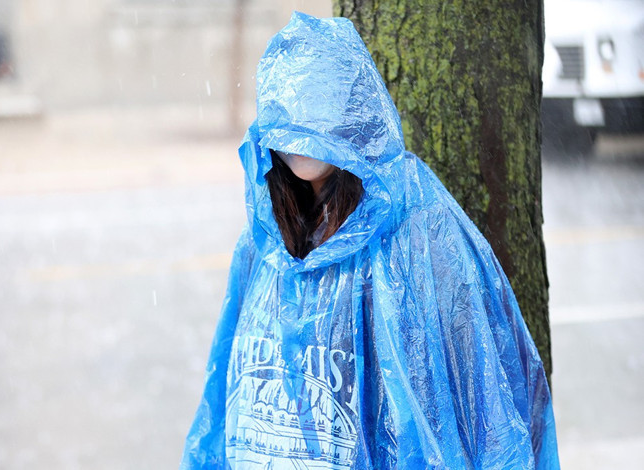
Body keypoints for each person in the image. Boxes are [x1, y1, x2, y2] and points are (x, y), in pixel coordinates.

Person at [180, 12, 559, 470]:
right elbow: (224, 394)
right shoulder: (265, 238)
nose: (301, 134)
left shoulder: (415, 227)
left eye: (318, 109)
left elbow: (469, 398)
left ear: (355, 112)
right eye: (288, 116)